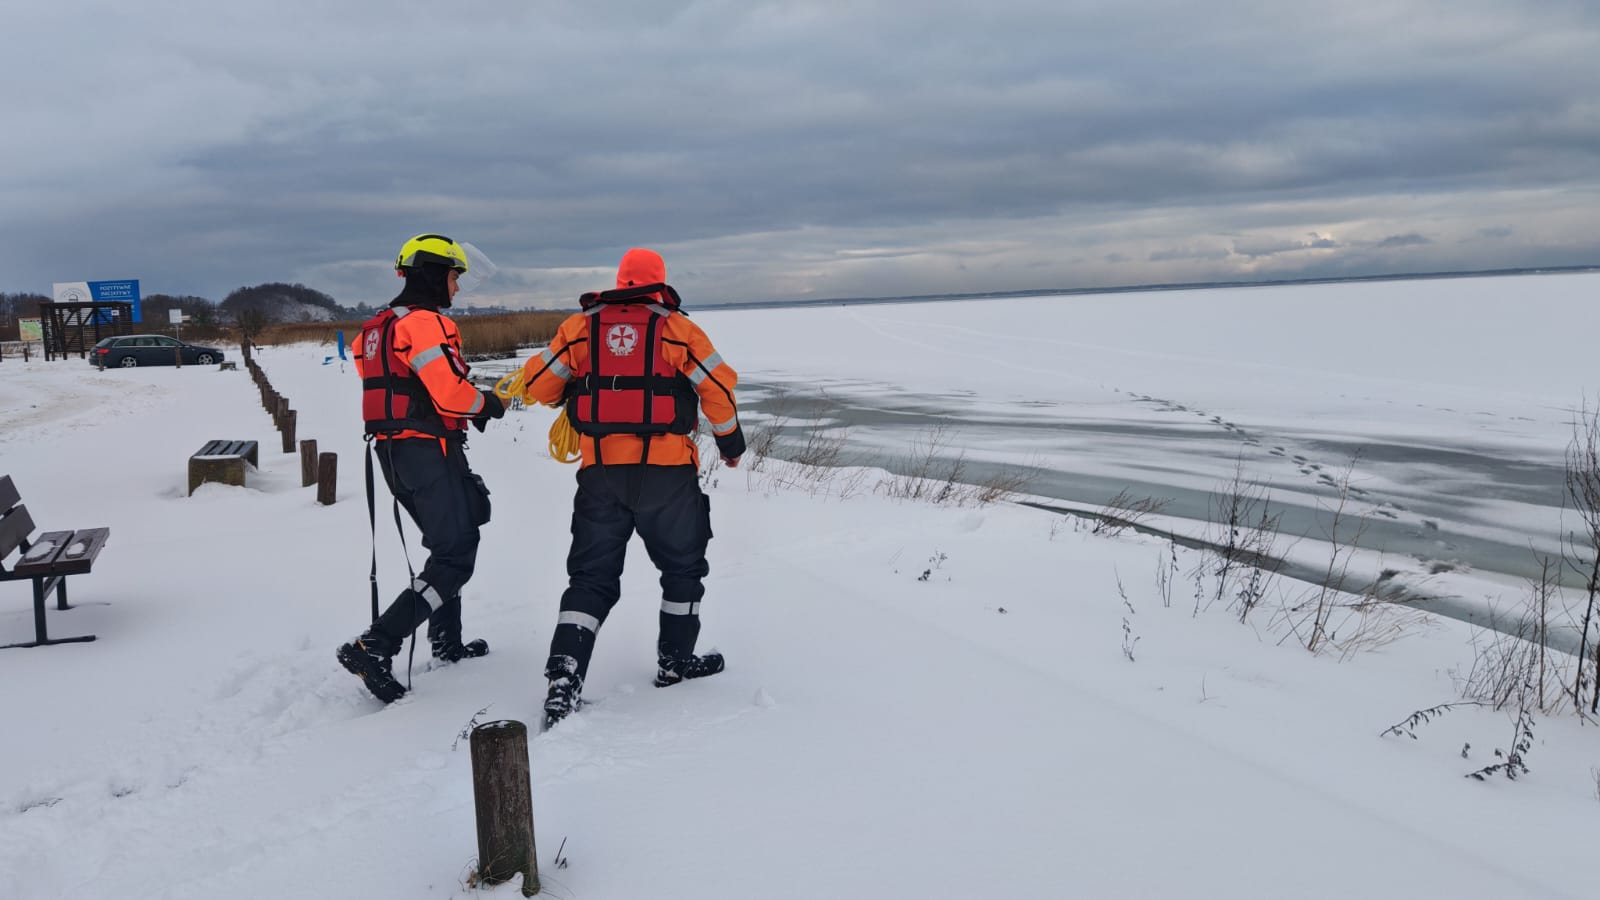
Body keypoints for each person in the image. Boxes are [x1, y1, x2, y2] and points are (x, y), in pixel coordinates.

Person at [518, 247, 744, 728]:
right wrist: (731, 443)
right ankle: (675, 662)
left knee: (590, 578)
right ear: (659, 283)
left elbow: (537, 386)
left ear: (620, 282)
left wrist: (580, 384)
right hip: (668, 476)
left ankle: (563, 681)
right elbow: (718, 389)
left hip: (600, 474)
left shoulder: (580, 327)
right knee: (683, 568)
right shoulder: (678, 329)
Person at [337, 233, 505, 703]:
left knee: (447, 543)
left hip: (393, 453)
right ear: (432, 275)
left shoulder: (375, 329)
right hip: (428, 451)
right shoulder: (428, 324)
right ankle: (375, 645)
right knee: (456, 555)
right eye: (453, 277)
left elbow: (398, 386)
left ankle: (447, 643)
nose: (457, 287)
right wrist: (488, 404)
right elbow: (448, 393)